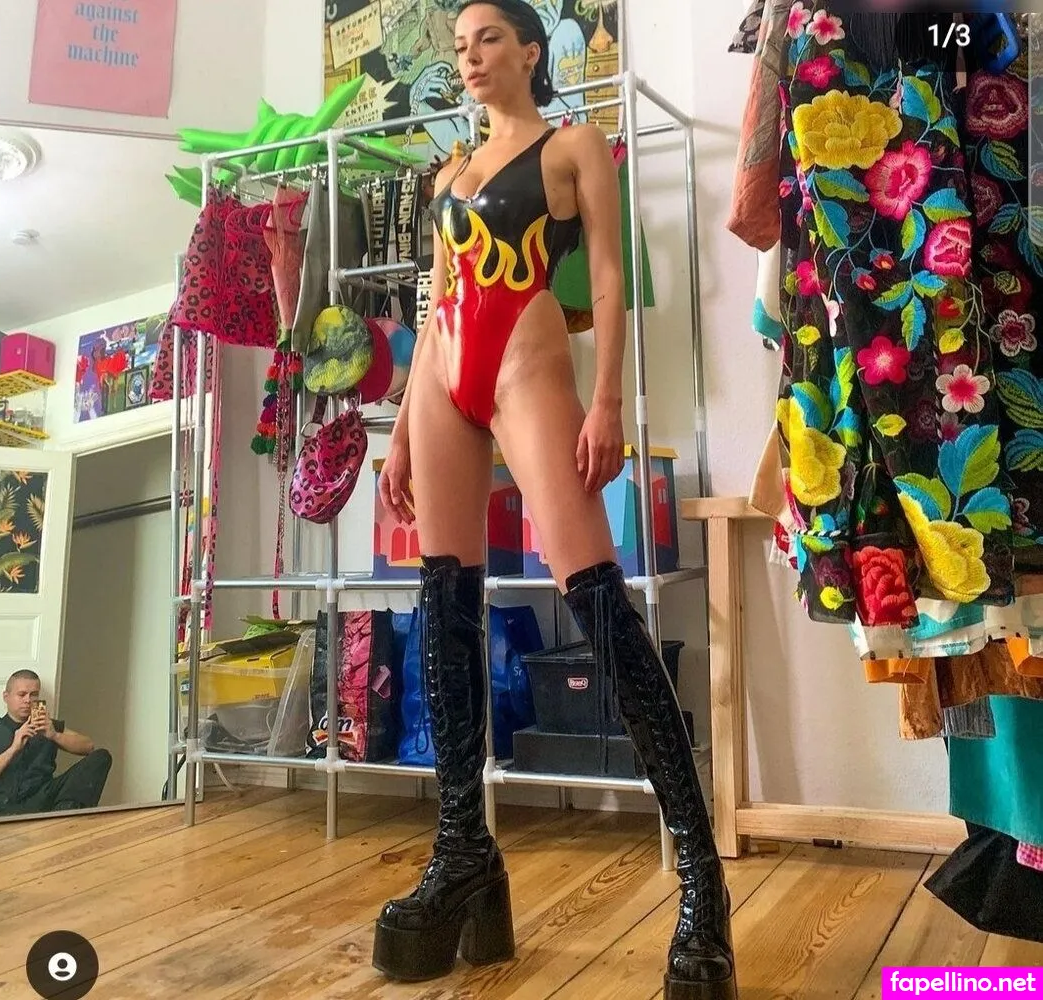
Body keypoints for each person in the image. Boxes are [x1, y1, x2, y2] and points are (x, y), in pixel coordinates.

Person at [371, 2, 738, 998]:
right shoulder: (446, 174)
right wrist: (400, 430)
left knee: (596, 600)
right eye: (459, 45)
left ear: (532, 50)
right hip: (443, 375)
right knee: (444, 600)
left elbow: (607, 279)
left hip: (526, 361)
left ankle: (701, 879)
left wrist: (607, 398)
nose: (470, 56)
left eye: (488, 38)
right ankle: (463, 851)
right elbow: (431, 303)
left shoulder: (574, 146)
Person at [0, 670, 112, 818]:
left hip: (42, 800)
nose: (28, 700)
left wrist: (54, 735)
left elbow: (88, 746)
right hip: (1, 806)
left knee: (101, 757)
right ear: (6, 697)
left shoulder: (48, 725)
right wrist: (13, 749)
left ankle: (64, 817)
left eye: (34, 695)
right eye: (22, 694)